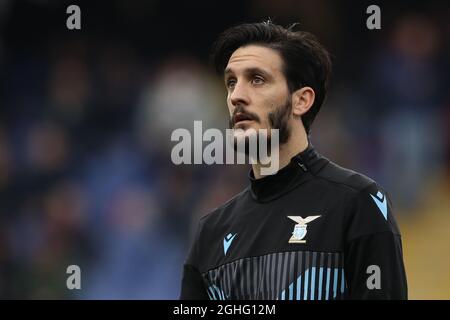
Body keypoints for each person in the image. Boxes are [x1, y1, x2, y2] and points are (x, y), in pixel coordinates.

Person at [179, 21, 407, 300]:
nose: (236, 95)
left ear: (301, 101)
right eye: (231, 82)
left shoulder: (358, 202)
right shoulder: (211, 231)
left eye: (257, 79)